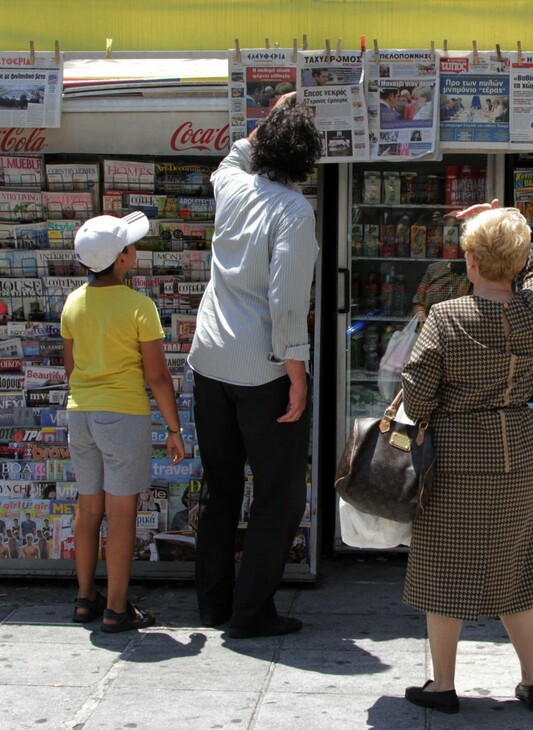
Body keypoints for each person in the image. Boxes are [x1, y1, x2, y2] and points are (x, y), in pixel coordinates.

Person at [402, 201, 533, 714]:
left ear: (470, 262)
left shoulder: (447, 316)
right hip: (517, 454)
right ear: (516, 260)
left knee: (444, 569)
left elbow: (418, 395)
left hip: (458, 459)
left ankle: (442, 685)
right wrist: (504, 216)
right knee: (512, 566)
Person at [188, 93, 322, 638]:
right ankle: (250, 612)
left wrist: (268, 119)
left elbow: (231, 158)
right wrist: (297, 373)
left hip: (209, 360)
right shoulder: (294, 210)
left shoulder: (233, 187)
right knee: (278, 493)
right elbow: (287, 300)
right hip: (263, 370)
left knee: (220, 489)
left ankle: (211, 604)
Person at [62, 211, 185, 632]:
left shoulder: (72, 302)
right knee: (122, 513)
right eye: (131, 246)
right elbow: (157, 377)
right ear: (122, 259)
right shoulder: (139, 306)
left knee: (88, 507)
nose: (135, 251)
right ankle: (116, 607)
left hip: (80, 414)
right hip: (123, 414)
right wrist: (174, 429)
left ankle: (84, 599)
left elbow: (70, 367)